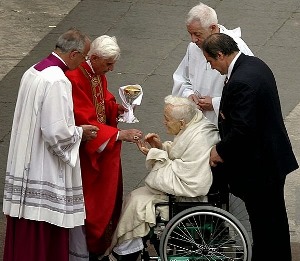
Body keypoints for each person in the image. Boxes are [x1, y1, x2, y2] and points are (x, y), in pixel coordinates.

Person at [3, 28, 99, 261]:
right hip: (42, 165)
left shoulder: (33, 70)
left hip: (25, 157)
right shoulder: (57, 80)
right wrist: (80, 133)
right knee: (43, 222)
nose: (85, 61)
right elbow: (56, 133)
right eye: (85, 56)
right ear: (74, 54)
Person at [202, 33, 299, 261]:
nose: (212, 67)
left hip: (260, 166)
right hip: (271, 157)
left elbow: (243, 129)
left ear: (220, 54)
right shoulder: (254, 64)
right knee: (274, 219)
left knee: (264, 221)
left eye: (210, 62)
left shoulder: (240, 81)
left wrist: (220, 150)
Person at [105, 95, 220, 261]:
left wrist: (154, 155)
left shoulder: (199, 138)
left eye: (167, 119)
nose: (163, 122)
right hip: (180, 188)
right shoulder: (193, 125)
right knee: (135, 197)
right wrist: (160, 148)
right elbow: (181, 158)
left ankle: (124, 253)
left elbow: (189, 181)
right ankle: (126, 250)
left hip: (186, 197)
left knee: (138, 204)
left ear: (182, 123)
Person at [65, 35, 143, 261]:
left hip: (103, 144)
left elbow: (103, 100)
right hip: (87, 152)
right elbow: (84, 117)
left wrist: (116, 108)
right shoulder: (75, 78)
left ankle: (100, 247)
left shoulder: (96, 74)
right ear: (94, 57)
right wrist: (119, 134)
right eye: (108, 63)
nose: (111, 68)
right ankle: (89, 248)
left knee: (110, 197)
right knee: (94, 202)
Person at [172, 2, 253, 125]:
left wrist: (216, 103)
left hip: (223, 121)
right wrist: (189, 95)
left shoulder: (237, 49)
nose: (193, 39)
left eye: (197, 34)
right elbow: (182, 78)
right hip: (198, 120)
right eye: (190, 34)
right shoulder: (193, 48)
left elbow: (248, 92)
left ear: (213, 28)